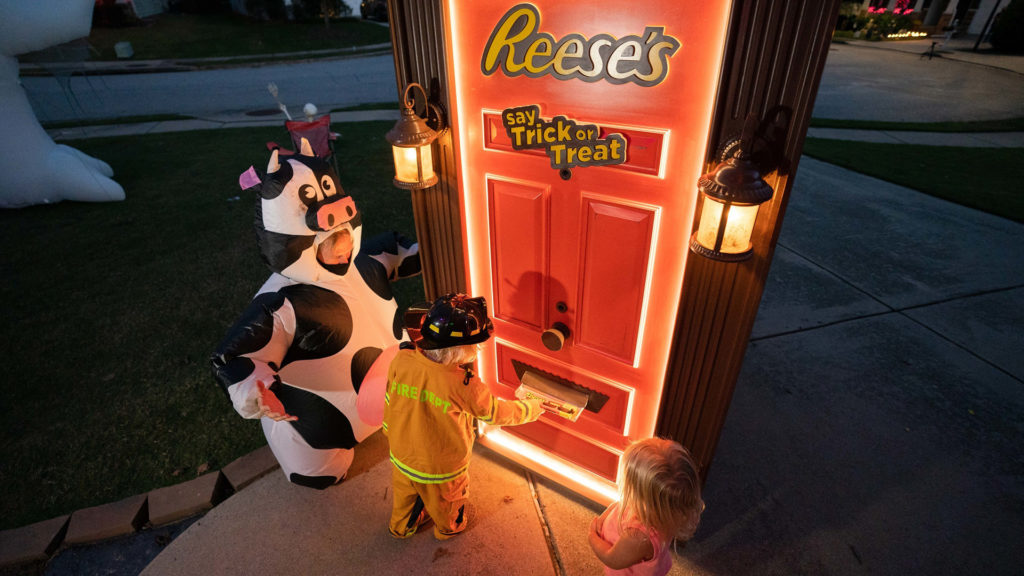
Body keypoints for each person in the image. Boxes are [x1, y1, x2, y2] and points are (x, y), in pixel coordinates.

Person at [211, 141, 420, 489]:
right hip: (323, 424)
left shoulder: (363, 263)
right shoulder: (283, 304)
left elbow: (396, 249)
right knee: (317, 468)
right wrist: (255, 391)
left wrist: (427, 250)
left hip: (395, 391)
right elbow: (235, 356)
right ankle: (312, 454)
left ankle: (393, 411)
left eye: (344, 235)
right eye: (327, 241)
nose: (342, 248)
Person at [383, 293, 545, 539]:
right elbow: (494, 413)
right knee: (448, 502)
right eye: (477, 345)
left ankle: (401, 527)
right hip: (442, 466)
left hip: (401, 455)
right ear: (461, 350)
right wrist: (530, 408)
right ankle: (448, 529)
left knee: (404, 495)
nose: (479, 349)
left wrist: (388, 429)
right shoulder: (464, 384)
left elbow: (389, 399)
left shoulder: (402, 360)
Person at [588, 437, 704, 576]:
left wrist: (592, 537)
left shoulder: (638, 537)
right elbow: (620, 504)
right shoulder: (668, 511)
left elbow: (611, 558)